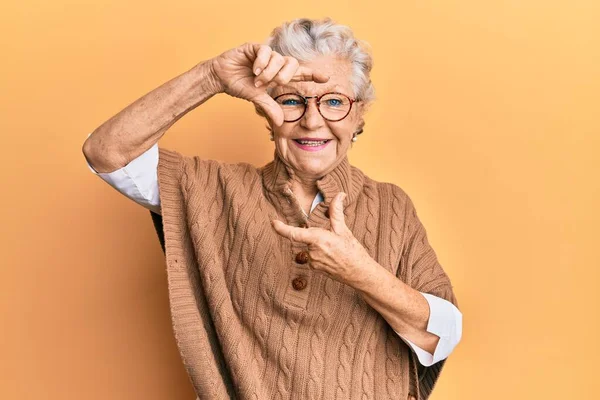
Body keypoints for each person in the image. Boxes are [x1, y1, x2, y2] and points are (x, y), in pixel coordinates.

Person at [83, 17, 462, 400]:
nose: (312, 122)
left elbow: (442, 337)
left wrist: (361, 272)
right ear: (266, 110)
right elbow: (107, 152)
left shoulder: (391, 205)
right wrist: (211, 76)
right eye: (292, 101)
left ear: (359, 114)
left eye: (334, 101)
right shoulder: (211, 189)